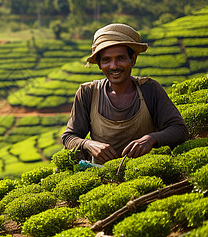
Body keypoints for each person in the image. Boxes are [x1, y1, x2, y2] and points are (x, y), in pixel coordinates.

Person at [61, 23, 188, 164]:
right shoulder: (88, 93)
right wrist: (89, 144)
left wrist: (151, 139)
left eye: (121, 58)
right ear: (99, 64)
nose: (114, 66)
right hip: (102, 177)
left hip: (143, 173)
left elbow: (179, 129)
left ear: (132, 59)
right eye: (106, 60)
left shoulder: (150, 89)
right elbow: (69, 138)